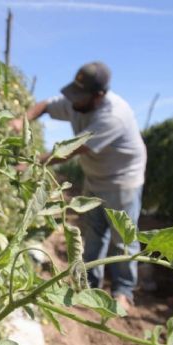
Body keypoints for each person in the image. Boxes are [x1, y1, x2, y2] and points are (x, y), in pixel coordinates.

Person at [10, 61, 147, 309]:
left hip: (123, 180)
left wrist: (32, 163)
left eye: (80, 96)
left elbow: (71, 150)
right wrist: (23, 120)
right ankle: (89, 286)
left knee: (123, 238)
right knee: (93, 232)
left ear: (98, 96)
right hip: (95, 177)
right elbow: (46, 106)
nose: (73, 101)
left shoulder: (113, 116)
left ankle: (123, 291)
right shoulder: (77, 103)